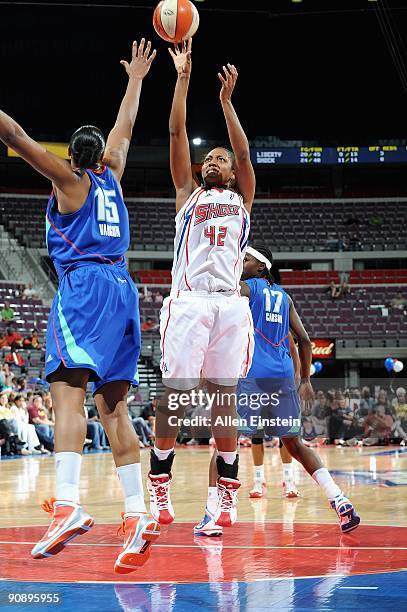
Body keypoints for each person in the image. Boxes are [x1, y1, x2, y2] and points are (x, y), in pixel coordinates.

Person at [0, 37, 159, 571]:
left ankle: (67, 504)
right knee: (113, 408)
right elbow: (126, 128)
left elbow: (16, 136)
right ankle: (138, 511)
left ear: (72, 156)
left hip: (87, 290)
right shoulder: (112, 176)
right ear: (103, 157)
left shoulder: (69, 181)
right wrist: (135, 78)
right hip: (123, 292)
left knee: (65, 397)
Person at [147, 39, 255, 529]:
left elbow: (246, 154)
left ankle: (228, 495)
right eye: (207, 158)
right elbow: (175, 130)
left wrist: (227, 103)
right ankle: (160, 484)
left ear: (232, 173)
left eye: (220, 159)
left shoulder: (243, 199)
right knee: (177, 393)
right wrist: (183, 78)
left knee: (223, 399)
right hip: (189, 302)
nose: (212, 161)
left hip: (229, 306)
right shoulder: (187, 196)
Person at [194, 246, 360, 537]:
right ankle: (338, 498)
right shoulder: (284, 297)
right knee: (295, 444)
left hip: (253, 374)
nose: (240, 262)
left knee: (224, 442)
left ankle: (211, 514)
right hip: (283, 377)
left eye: (246, 259)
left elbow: (222, 290)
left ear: (261, 267)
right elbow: (305, 341)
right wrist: (305, 379)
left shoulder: (248, 287)